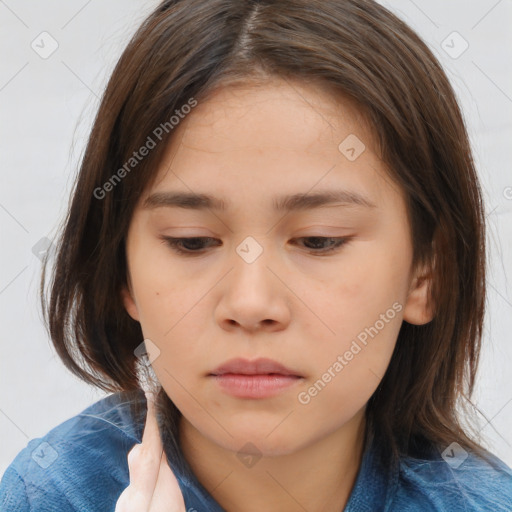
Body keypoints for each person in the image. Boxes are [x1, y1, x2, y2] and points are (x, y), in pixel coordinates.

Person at [1, 0, 512, 510]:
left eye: (319, 240)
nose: (250, 304)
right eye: (191, 241)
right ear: (122, 272)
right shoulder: (50, 493)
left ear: (427, 274)